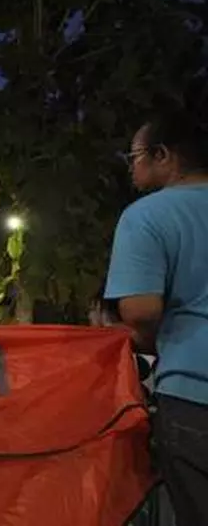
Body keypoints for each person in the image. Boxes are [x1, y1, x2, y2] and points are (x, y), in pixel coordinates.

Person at [104, 109, 208, 525]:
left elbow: (141, 310)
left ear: (162, 155)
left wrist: (132, 338)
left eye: (134, 157)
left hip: (194, 395)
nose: (131, 167)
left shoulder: (147, 216)